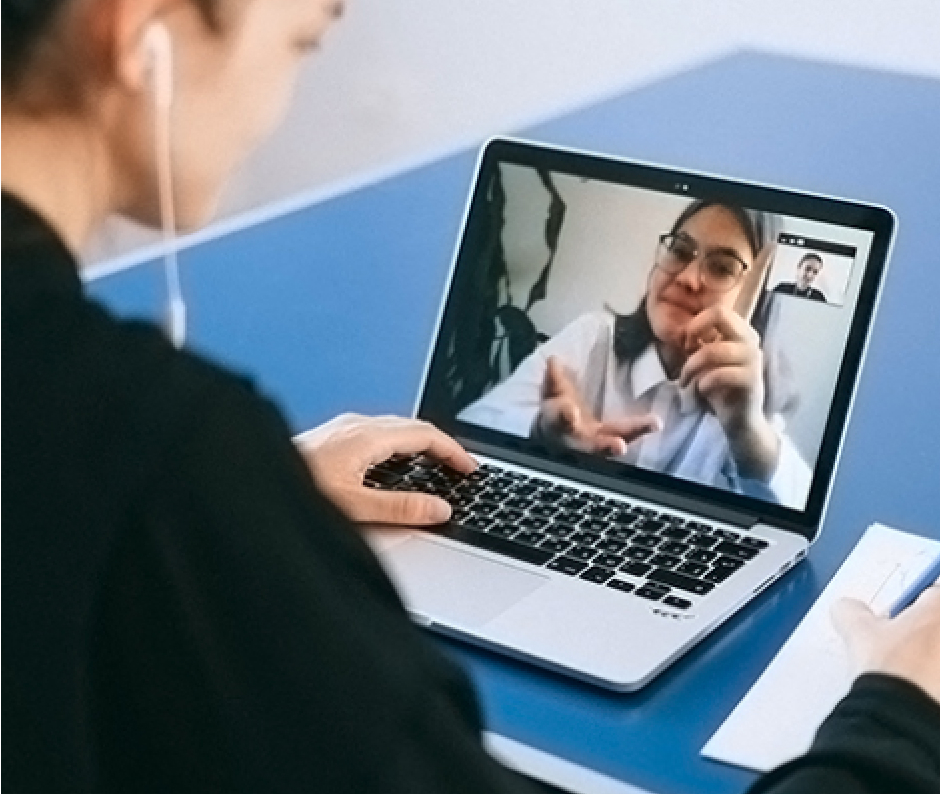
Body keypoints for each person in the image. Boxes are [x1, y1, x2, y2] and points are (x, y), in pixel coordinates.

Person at [3, 2, 938, 793]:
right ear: (142, 33)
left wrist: (258, 498)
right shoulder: (173, 459)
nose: (689, 276)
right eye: (302, 42)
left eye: (722, 265)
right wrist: (901, 717)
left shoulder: (758, 400)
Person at [460, 200, 812, 508]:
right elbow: (474, 424)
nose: (688, 278)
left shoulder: (747, 405)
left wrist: (747, 432)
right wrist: (540, 433)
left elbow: (799, 516)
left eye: (721, 267)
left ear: (759, 300)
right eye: (679, 251)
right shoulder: (594, 338)